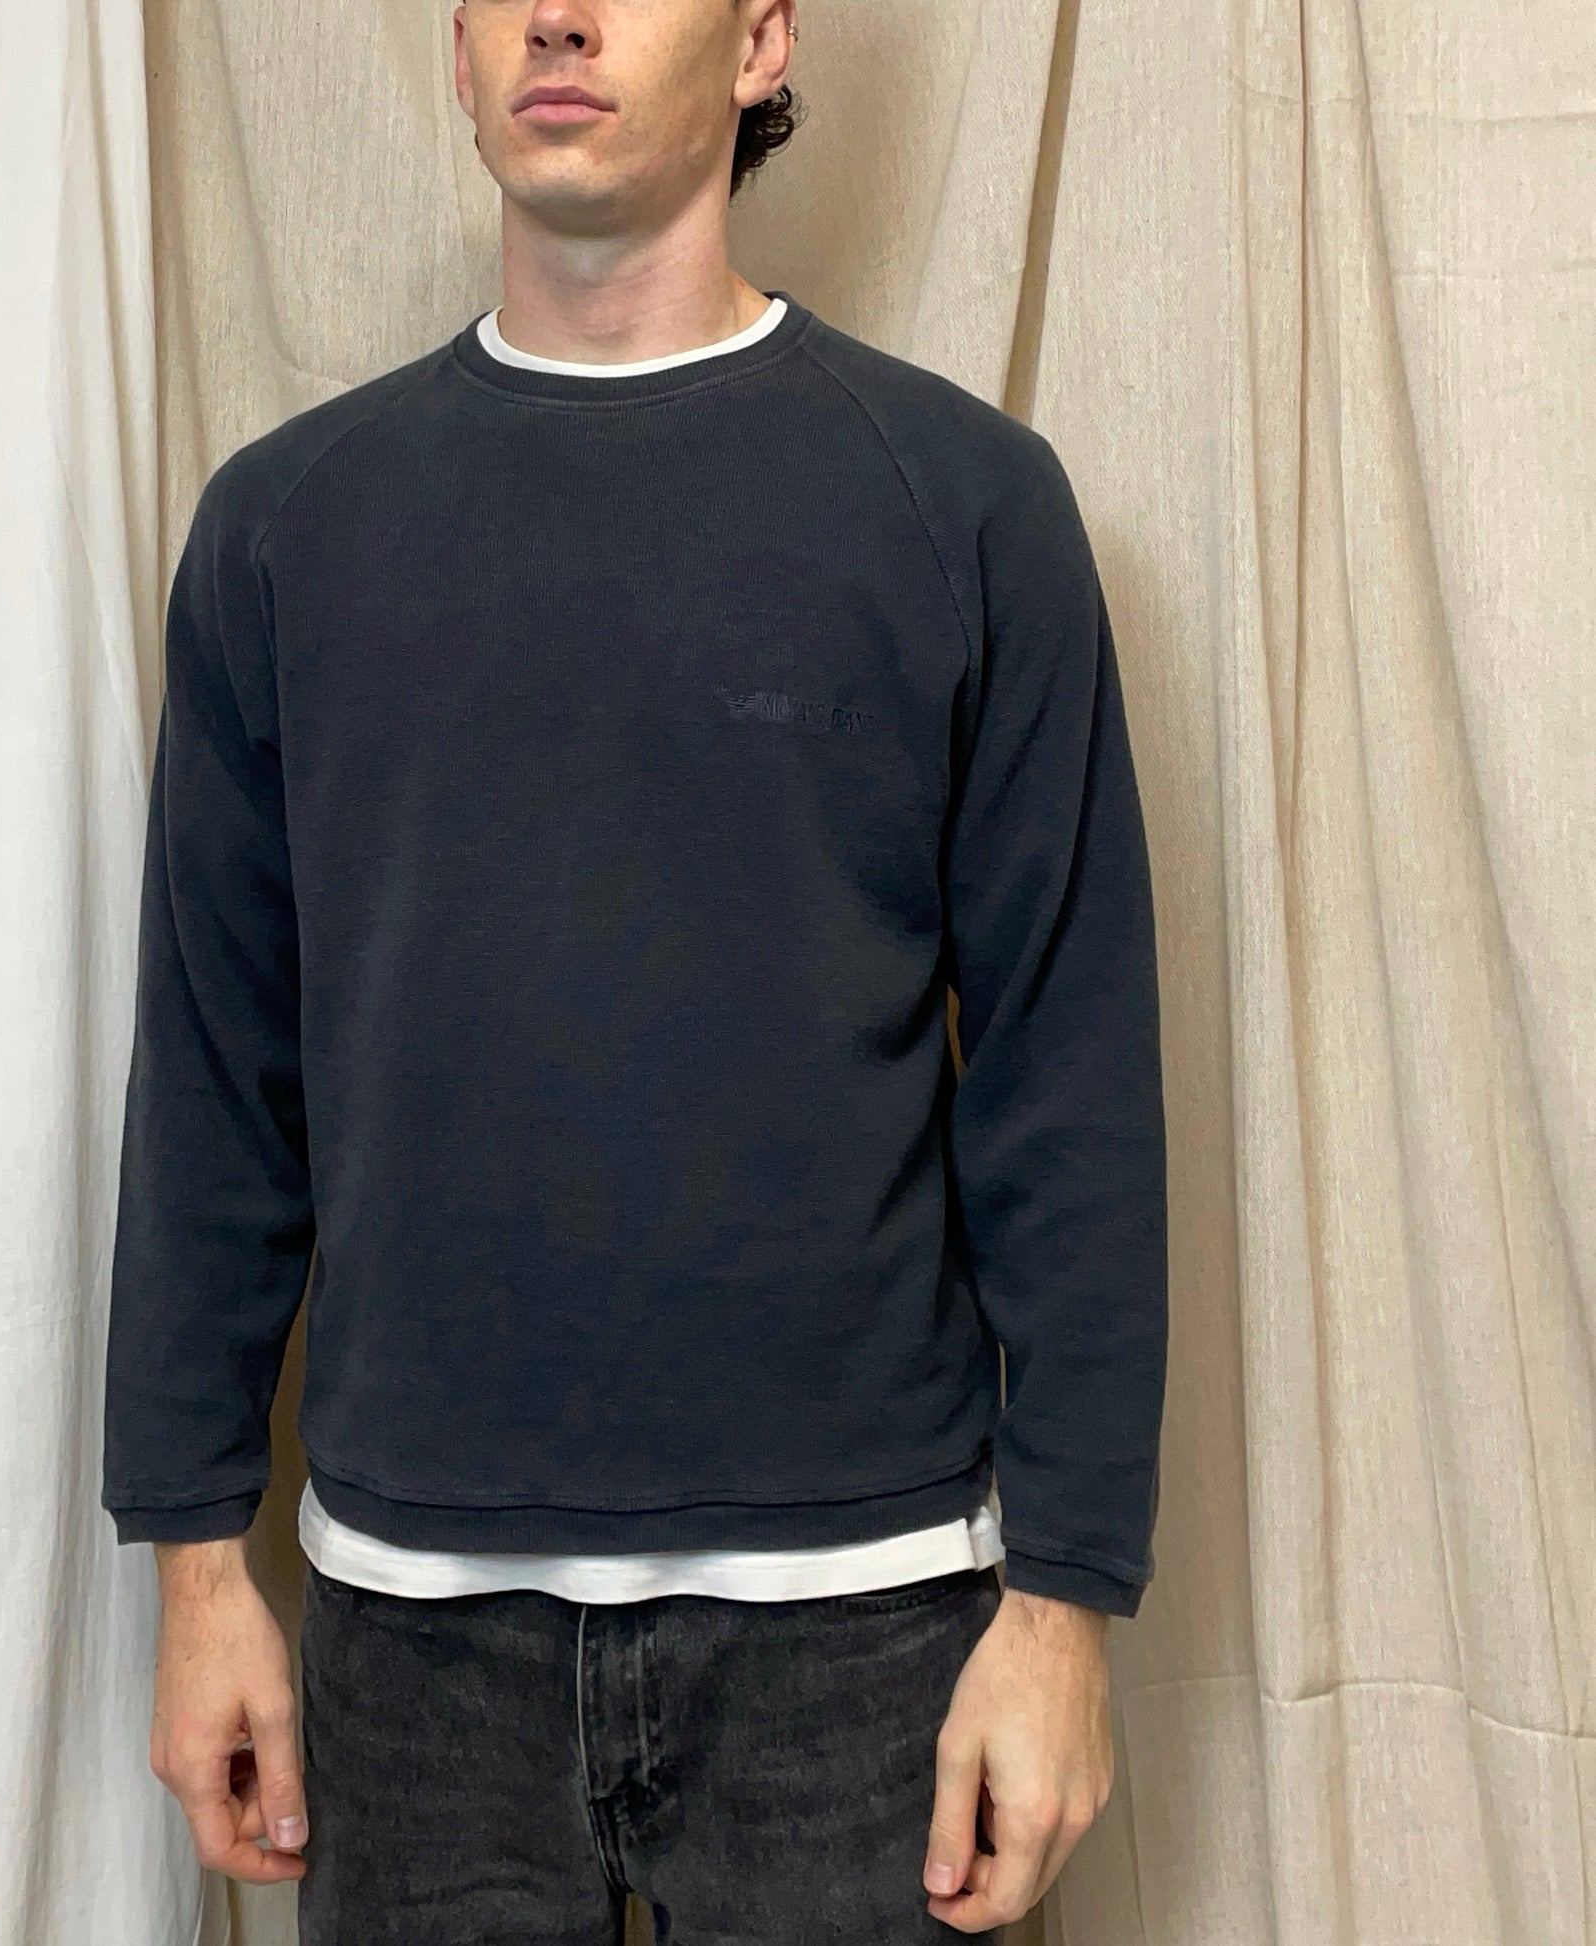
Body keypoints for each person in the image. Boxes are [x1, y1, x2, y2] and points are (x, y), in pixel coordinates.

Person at [100, 1, 1168, 1939]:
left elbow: (1066, 1073)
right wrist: (192, 1566)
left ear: (760, 44)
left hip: (863, 1634)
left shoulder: (962, 507)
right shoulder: (285, 530)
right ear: (455, 58)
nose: (559, 15)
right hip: (411, 1644)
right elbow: (212, 1080)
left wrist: (1064, 1603)